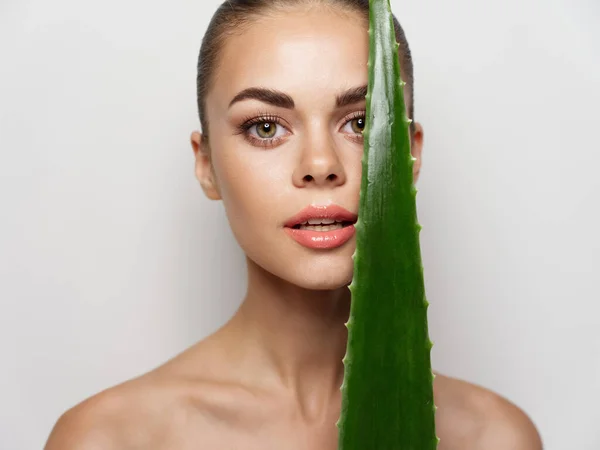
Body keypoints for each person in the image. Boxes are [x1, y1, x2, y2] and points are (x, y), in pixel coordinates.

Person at [45, 0, 543, 448]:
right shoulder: (108, 439)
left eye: (362, 123)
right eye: (265, 127)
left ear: (410, 156)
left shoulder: (493, 437)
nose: (321, 163)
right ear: (207, 165)